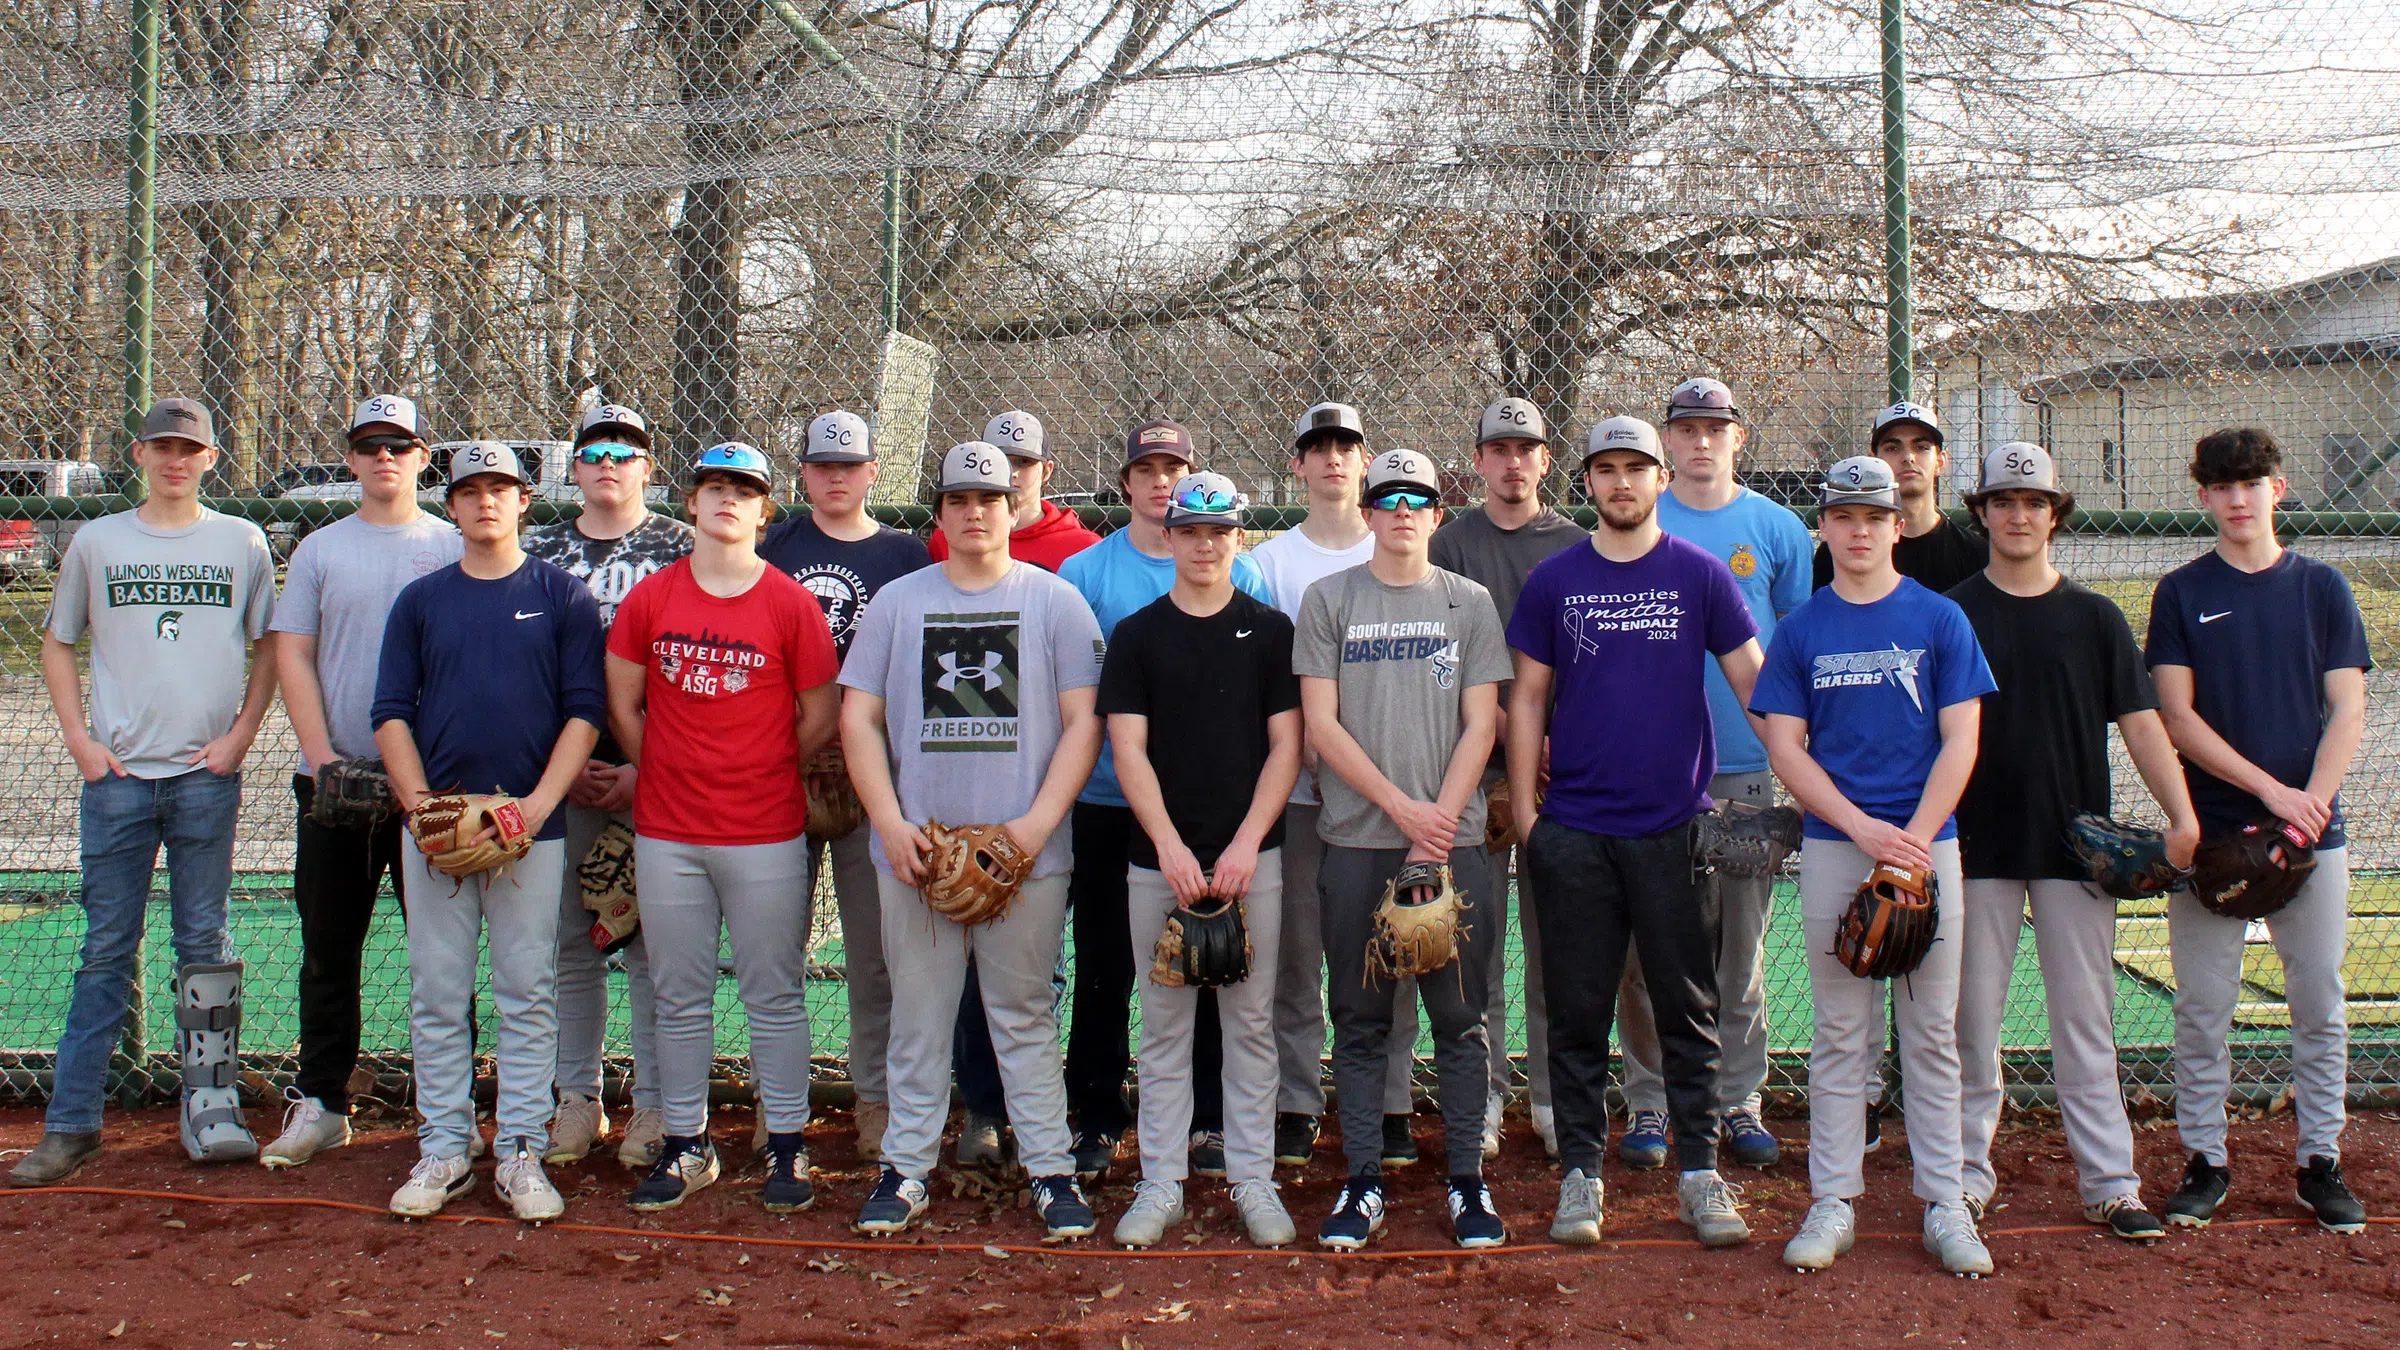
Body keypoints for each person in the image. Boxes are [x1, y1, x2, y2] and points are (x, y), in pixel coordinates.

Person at [1507, 415, 1763, 1249]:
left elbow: (1755, 683)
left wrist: (1810, 774)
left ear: (1659, 480)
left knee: (1689, 1011)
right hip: (1575, 830)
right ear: (1586, 482)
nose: (1622, 482)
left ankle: (1700, 1172)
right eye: (1607, 469)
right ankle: (1581, 1173)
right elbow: (1528, 701)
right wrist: (1526, 814)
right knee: (1578, 1014)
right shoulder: (1555, 581)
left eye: (1636, 468)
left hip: (1674, 831)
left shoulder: (1699, 574)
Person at [9, 399, 278, 1187]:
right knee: (103, 953)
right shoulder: (98, 541)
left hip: (205, 778)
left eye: (188, 448)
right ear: (138, 452)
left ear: (211, 458)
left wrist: (240, 737)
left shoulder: (242, 541)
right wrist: (79, 741)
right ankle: (72, 1126)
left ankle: (212, 1110)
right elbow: (59, 644)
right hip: (119, 781)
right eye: (162, 446)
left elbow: (270, 648)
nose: (174, 459)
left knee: (205, 944)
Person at [841, 440, 1105, 1240]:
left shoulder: (1055, 600)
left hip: (1025, 853)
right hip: (919, 849)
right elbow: (858, 715)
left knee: (1023, 1014)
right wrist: (888, 824)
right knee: (919, 1016)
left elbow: (1084, 722)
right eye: (959, 500)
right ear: (942, 513)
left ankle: (1052, 1172)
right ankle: (906, 1167)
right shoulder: (899, 601)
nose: (976, 512)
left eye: (989, 498)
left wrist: (1030, 831)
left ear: (1012, 505)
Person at [1752, 455, 1998, 1276]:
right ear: (1822, 528)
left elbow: (1962, 737)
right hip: (1835, 846)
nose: (1859, 530)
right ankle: (1832, 1197)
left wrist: (1915, 838)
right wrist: (1861, 827)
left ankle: (1947, 1200)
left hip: (1931, 846)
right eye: (1844, 516)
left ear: (1899, 525)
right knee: (1840, 1032)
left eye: (1875, 516)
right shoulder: (1803, 629)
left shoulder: (1938, 618)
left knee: (1932, 1033)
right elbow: (1786, 747)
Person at [1948, 441, 2199, 1242]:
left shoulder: (2093, 617)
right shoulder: (1952, 612)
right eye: (2004, 501)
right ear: (1981, 511)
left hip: (2073, 848)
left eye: (2035, 502)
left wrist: (2182, 816)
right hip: (1975, 848)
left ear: (2055, 515)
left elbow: (2140, 723)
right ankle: (1961, 1180)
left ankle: (2110, 1183)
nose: (2019, 515)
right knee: (1971, 1024)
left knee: (2086, 1023)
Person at [372, 441, 606, 1222]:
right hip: (437, 830)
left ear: (524, 499)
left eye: (499, 487)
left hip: (528, 830)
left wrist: (537, 807)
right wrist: (420, 810)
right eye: (469, 490)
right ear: (451, 504)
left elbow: (584, 712)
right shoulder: (422, 600)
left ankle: (520, 1150)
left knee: (527, 990)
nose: (485, 501)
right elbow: (390, 713)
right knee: (439, 991)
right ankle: (444, 1146)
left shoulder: (563, 596)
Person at [605, 442, 841, 1213]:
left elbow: (819, 715)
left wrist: (761, 767)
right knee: (679, 995)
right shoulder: (653, 597)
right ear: (692, 501)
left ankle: (788, 1145)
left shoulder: (788, 603)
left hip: (765, 828)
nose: (728, 500)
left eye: (745, 490)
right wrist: (669, 768)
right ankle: (686, 1143)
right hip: (669, 828)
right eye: (714, 487)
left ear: (765, 509)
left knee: (774, 993)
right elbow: (625, 700)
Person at [2146, 427, 2370, 1235]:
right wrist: (2271, 789)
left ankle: (2320, 1162)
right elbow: (2176, 714)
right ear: (2203, 496)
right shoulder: (2179, 591)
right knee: (2204, 1007)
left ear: (2278, 489)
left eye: (2253, 482)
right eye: (2221, 485)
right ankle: (2206, 1160)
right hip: (2216, 835)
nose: (2238, 499)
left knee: (2319, 1000)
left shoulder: (2322, 589)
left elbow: (2347, 705)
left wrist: (2310, 801)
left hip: (2313, 836)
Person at [1296, 447, 1512, 1250]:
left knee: (1460, 1020)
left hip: (1450, 846)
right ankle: (1361, 1182)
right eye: (1384, 496)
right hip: (1357, 840)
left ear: (1435, 511)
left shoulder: (1468, 603)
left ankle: (1466, 1182)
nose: (1399, 509)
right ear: (1369, 508)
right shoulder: (1329, 599)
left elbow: (1482, 722)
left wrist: (1439, 825)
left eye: (1415, 496)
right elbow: (1320, 726)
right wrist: (1397, 808)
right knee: (1356, 1018)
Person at [1056, 420, 1272, 1183]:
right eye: (1144, 468)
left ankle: (1210, 1121)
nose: (1157, 480)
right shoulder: (1088, 574)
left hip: (1216, 805)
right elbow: (1086, 705)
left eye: (1171, 467)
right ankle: (1101, 1113)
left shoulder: (1248, 583)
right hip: (1115, 801)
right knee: (1108, 963)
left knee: (1216, 961)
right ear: (1125, 483)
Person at [254, 395, 463, 1171]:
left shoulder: (449, 544)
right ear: (349, 458)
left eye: (400, 445)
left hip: (427, 789)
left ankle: (447, 1105)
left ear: (422, 456)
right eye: (370, 445)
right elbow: (292, 653)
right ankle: (323, 1102)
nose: (385, 458)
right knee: (327, 947)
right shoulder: (320, 549)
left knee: (440, 953)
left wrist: (433, 775)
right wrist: (322, 757)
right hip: (333, 782)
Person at [1101, 472, 1305, 1249]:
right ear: (1170, 535)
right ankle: (1161, 1181)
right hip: (1162, 861)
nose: (1205, 544)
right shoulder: (1139, 633)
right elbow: (1128, 748)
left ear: (1238, 539)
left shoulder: (1271, 629)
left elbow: (1287, 745)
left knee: (1250, 1024)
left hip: (1255, 857)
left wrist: (1250, 840)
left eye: (1219, 531)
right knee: (1164, 1028)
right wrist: (1172, 848)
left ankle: (1253, 1176)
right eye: (1190, 530)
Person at [1618, 377, 1810, 1172]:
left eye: (1716, 427)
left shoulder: (1776, 528)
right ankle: (1651, 1102)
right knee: (1645, 950)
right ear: (1667, 440)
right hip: (1648, 770)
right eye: (1686, 428)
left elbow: (1796, 651)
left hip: (1743, 766)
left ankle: (1738, 1099)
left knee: (1741, 948)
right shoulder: (1636, 522)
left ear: (1739, 437)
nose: (1701, 441)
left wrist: (1794, 762)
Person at [523, 401, 692, 1171]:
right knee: (570, 943)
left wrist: (640, 768)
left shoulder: (681, 547)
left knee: (654, 946)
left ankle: (656, 1104)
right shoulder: (539, 546)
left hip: (657, 772)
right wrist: (563, 770)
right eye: (594, 450)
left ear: (649, 468)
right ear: (576, 465)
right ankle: (576, 1098)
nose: (609, 464)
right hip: (559, 773)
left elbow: (697, 674)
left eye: (626, 452)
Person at [760, 410, 932, 1166]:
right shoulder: (779, 546)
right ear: (803, 474)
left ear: (871, 474)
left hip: (874, 773)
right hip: (783, 766)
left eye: (849, 465)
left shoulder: (903, 554)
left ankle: (875, 1100)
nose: (835, 477)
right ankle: (781, 1106)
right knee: (777, 949)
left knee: (874, 955)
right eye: (821, 465)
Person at [1425, 394, 1588, 1162]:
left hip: (1566, 769)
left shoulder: (1578, 544)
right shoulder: (1452, 544)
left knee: (1559, 943)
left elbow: (1592, 662)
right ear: (1480, 461)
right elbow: (1449, 660)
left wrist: (1558, 734)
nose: (1514, 461)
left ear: (1545, 461)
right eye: (1500, 448)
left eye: (1528, 449)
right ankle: (1485, 1094)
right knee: (1477, 944)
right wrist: (1507, 733)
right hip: (1478, 768)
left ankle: (1555, 1099)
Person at [935, 409, 1098, 1167]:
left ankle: (1048, 1108)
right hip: (970, 789)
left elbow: (1082, 703)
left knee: (1048, 969)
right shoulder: (944, 552)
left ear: (1041, 473)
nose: (1004, 479)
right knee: (970, 958)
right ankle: (986, 1110)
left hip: (1063, 794)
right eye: (994, 465)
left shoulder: (1078, 557)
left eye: (1019, 464)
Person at [1246, 403, 1375, 1169]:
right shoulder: (1268, 563)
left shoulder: (1394, 546)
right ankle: (1297, 1100)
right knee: (1296, 957)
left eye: (1346, 447)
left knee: (1374, 953)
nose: (1332, 460)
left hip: (1376, 791)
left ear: (1366, 460)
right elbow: (1270, 681)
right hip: (1297, 791)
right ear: (1297, 465)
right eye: (1318, 448)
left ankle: (1377, 1103)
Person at [1811, 402, 1986, 594]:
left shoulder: (1975, 553)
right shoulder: (1843, 552)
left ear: (1941, 461)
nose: (1908, 457)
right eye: (1893, 448)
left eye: (1921, 447)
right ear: (1874, 460)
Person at [927, 409, 1101, 570]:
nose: (1011, 472)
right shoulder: (949, 537)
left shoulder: (1083, 547)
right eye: (1000, 461)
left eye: (1023, 462)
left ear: (1047, 470)